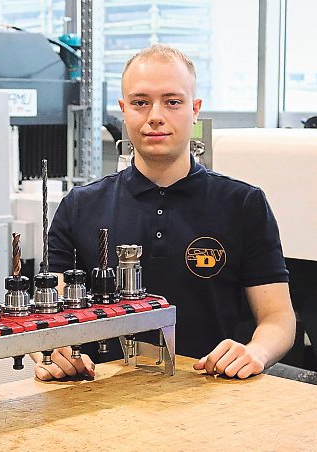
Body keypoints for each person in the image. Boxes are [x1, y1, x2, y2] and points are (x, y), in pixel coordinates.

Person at [31, 43, 295, 381]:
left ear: (194, 109)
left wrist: (255, 351)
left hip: (213, 393)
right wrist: (54, 353)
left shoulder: (244, 205)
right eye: (141, 102)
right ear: (124, 110)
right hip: (99, 399)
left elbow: (278, 318)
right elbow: (47, 316)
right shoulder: (80, 206)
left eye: (172, 101)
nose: (155, 115)